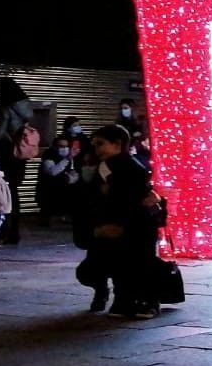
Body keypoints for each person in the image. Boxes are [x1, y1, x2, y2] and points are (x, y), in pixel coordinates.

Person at [83, 124, 162, 317]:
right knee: (122, 266)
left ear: (117, 144)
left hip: (132, 227)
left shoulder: (128, 168)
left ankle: (140, 302)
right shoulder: (108, 167)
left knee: (133, 265)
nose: (97, 150)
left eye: (101, 144)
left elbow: (130, 200)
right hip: (123, 226)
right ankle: (127, 301)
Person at [0, 77, 34, 245]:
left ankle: (4, 232)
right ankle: (14, 232)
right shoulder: (23, 108)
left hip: (4, 154)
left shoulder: (5, 109)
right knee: (14, 194)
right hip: (18, 155)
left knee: (1, 195)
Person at [38, 135, 81, 228]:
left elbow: (72, 169)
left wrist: (73, 176)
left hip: (64, 184)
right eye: (61, 146)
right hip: (49, 186)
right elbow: (52, 171)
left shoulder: (69, 155)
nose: (64, 149)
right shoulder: (49, 154)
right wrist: (66, 159)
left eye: (66, 146)